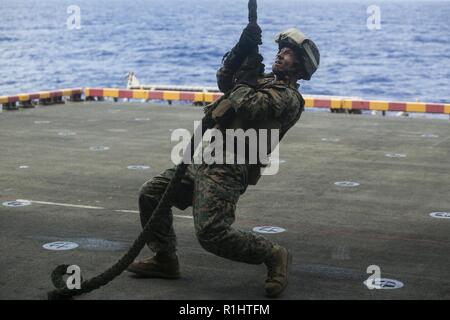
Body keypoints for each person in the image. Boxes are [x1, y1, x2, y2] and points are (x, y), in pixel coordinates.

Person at [127, 23, 320, 298]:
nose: (281, 55)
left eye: (289, 54)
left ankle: (274, 254)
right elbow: (224, 81)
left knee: (211, 233)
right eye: (281, 50)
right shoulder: (261, 80)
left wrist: (245, 76)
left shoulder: (289, 98)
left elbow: (250, 105)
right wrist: (241, 50)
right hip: (205, 158)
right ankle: (165, 259)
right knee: (151, 194)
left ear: (300, 69)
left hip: (229, 169)